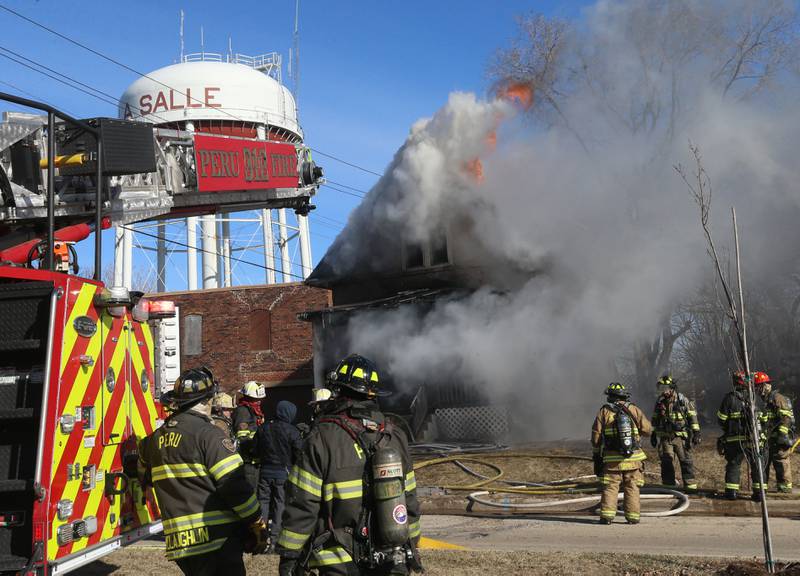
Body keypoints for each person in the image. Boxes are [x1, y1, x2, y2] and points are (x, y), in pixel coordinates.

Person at [276, 354, 423, 575]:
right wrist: (412, 544)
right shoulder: (395, 435)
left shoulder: (321, 437)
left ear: (338, 391)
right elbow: (409, 499)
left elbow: (303, 504)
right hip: (392, 555)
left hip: (339, 559)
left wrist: (289, 555)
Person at [137, 367, 268, 575]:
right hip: (216, 540)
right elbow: (234, 485)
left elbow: (142, 469)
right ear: (207, 401)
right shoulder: (210, 436)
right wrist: (256, 520)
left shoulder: (152, 441)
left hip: (180, 544)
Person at [591, 382, 652, 524]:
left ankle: (606, 517)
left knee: (611, 487)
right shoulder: (634, 409)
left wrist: (597, 453)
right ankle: (633, 518)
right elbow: (647, 430)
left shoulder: (604, 412)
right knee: (632, 487)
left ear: (610, 396)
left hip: (612, 460)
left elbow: (596, 437)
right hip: (634, 459)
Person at [255, 400, 303, 552]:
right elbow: (300, 453)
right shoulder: (292, 431)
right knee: (280, 505)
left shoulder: (263, 428)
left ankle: (261, 536)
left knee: (262, 503)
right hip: (283, 474)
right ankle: (275, 540)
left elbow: (255, 449)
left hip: (264, 473)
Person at [650, 375, 701, 491]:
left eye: (665, 388)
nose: (663, 391)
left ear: (672, 388)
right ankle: (669, 487)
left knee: (686, 462)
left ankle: (690, 487)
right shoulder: (659, 402)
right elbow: (654, 420)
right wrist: (653, 433)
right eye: (661, 388)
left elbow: (692, 417)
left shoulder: (683, 401)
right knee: (666, 462)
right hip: (665, 438)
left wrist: (696, 433)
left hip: (681, 438)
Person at [717, 371, 762, 500]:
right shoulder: (755, 398)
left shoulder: (729, 398)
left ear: (735, 383)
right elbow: (763, 418)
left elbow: (721, 419)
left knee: (733, 464)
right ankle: (759, 493)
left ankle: (731, 493)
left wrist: (728, 429)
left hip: (734, 439)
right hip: (753, 439)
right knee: (756, 465)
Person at [754, 371, 795, 493]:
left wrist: (782, 436)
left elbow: (786, 418)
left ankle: (785, 490)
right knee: (764, 463)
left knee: (781, 462)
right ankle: (763, 488)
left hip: (779, 439)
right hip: (768, 439)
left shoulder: (778, 399)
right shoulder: (763, 401)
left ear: (765, 385)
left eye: (757, 386)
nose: (756, 389)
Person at [233, 380, 267, 489]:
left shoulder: (254, 411)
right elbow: (243, 439)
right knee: (251, 492)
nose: (259, 401)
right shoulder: (243, 411)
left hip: (256, 461)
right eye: (256, 399)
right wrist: (255, 450)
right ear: (249, 397)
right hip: (248, 462)